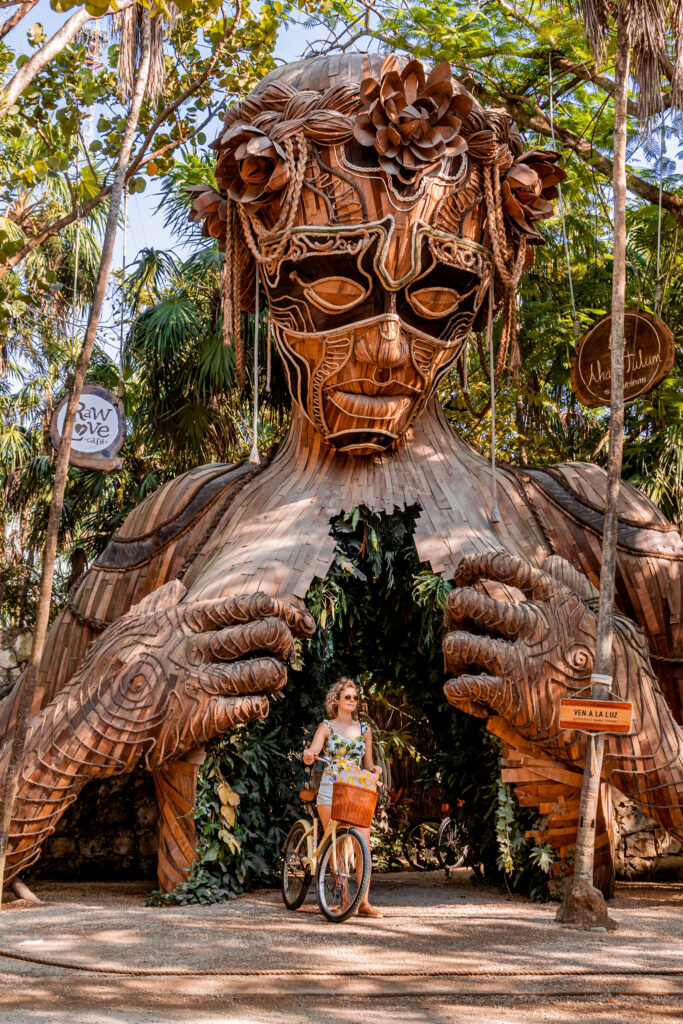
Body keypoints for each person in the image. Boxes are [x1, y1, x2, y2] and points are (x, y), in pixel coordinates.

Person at [303, 677, 382, 917]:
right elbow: (314, 751)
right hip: (330, 789)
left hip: (356, 791)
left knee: (363, 845)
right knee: (337, 845)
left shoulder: (364, 730)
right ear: (336, 700)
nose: (352, 701)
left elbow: (367, 763)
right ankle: (346, 900)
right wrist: (309, 755)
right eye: (347, 696)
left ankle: (364, 902)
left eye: (355, 697)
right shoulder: (326, 726)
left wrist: (374, 770)